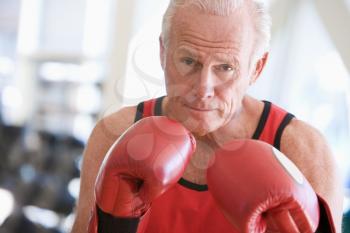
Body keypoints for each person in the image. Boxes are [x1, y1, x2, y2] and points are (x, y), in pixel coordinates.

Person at [71, 0, 344, 232]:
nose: (203, 89)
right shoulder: (117, 134)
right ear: (163, 52)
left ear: (256, 68)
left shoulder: (303, 150)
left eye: (225, 67)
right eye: (189, 61)